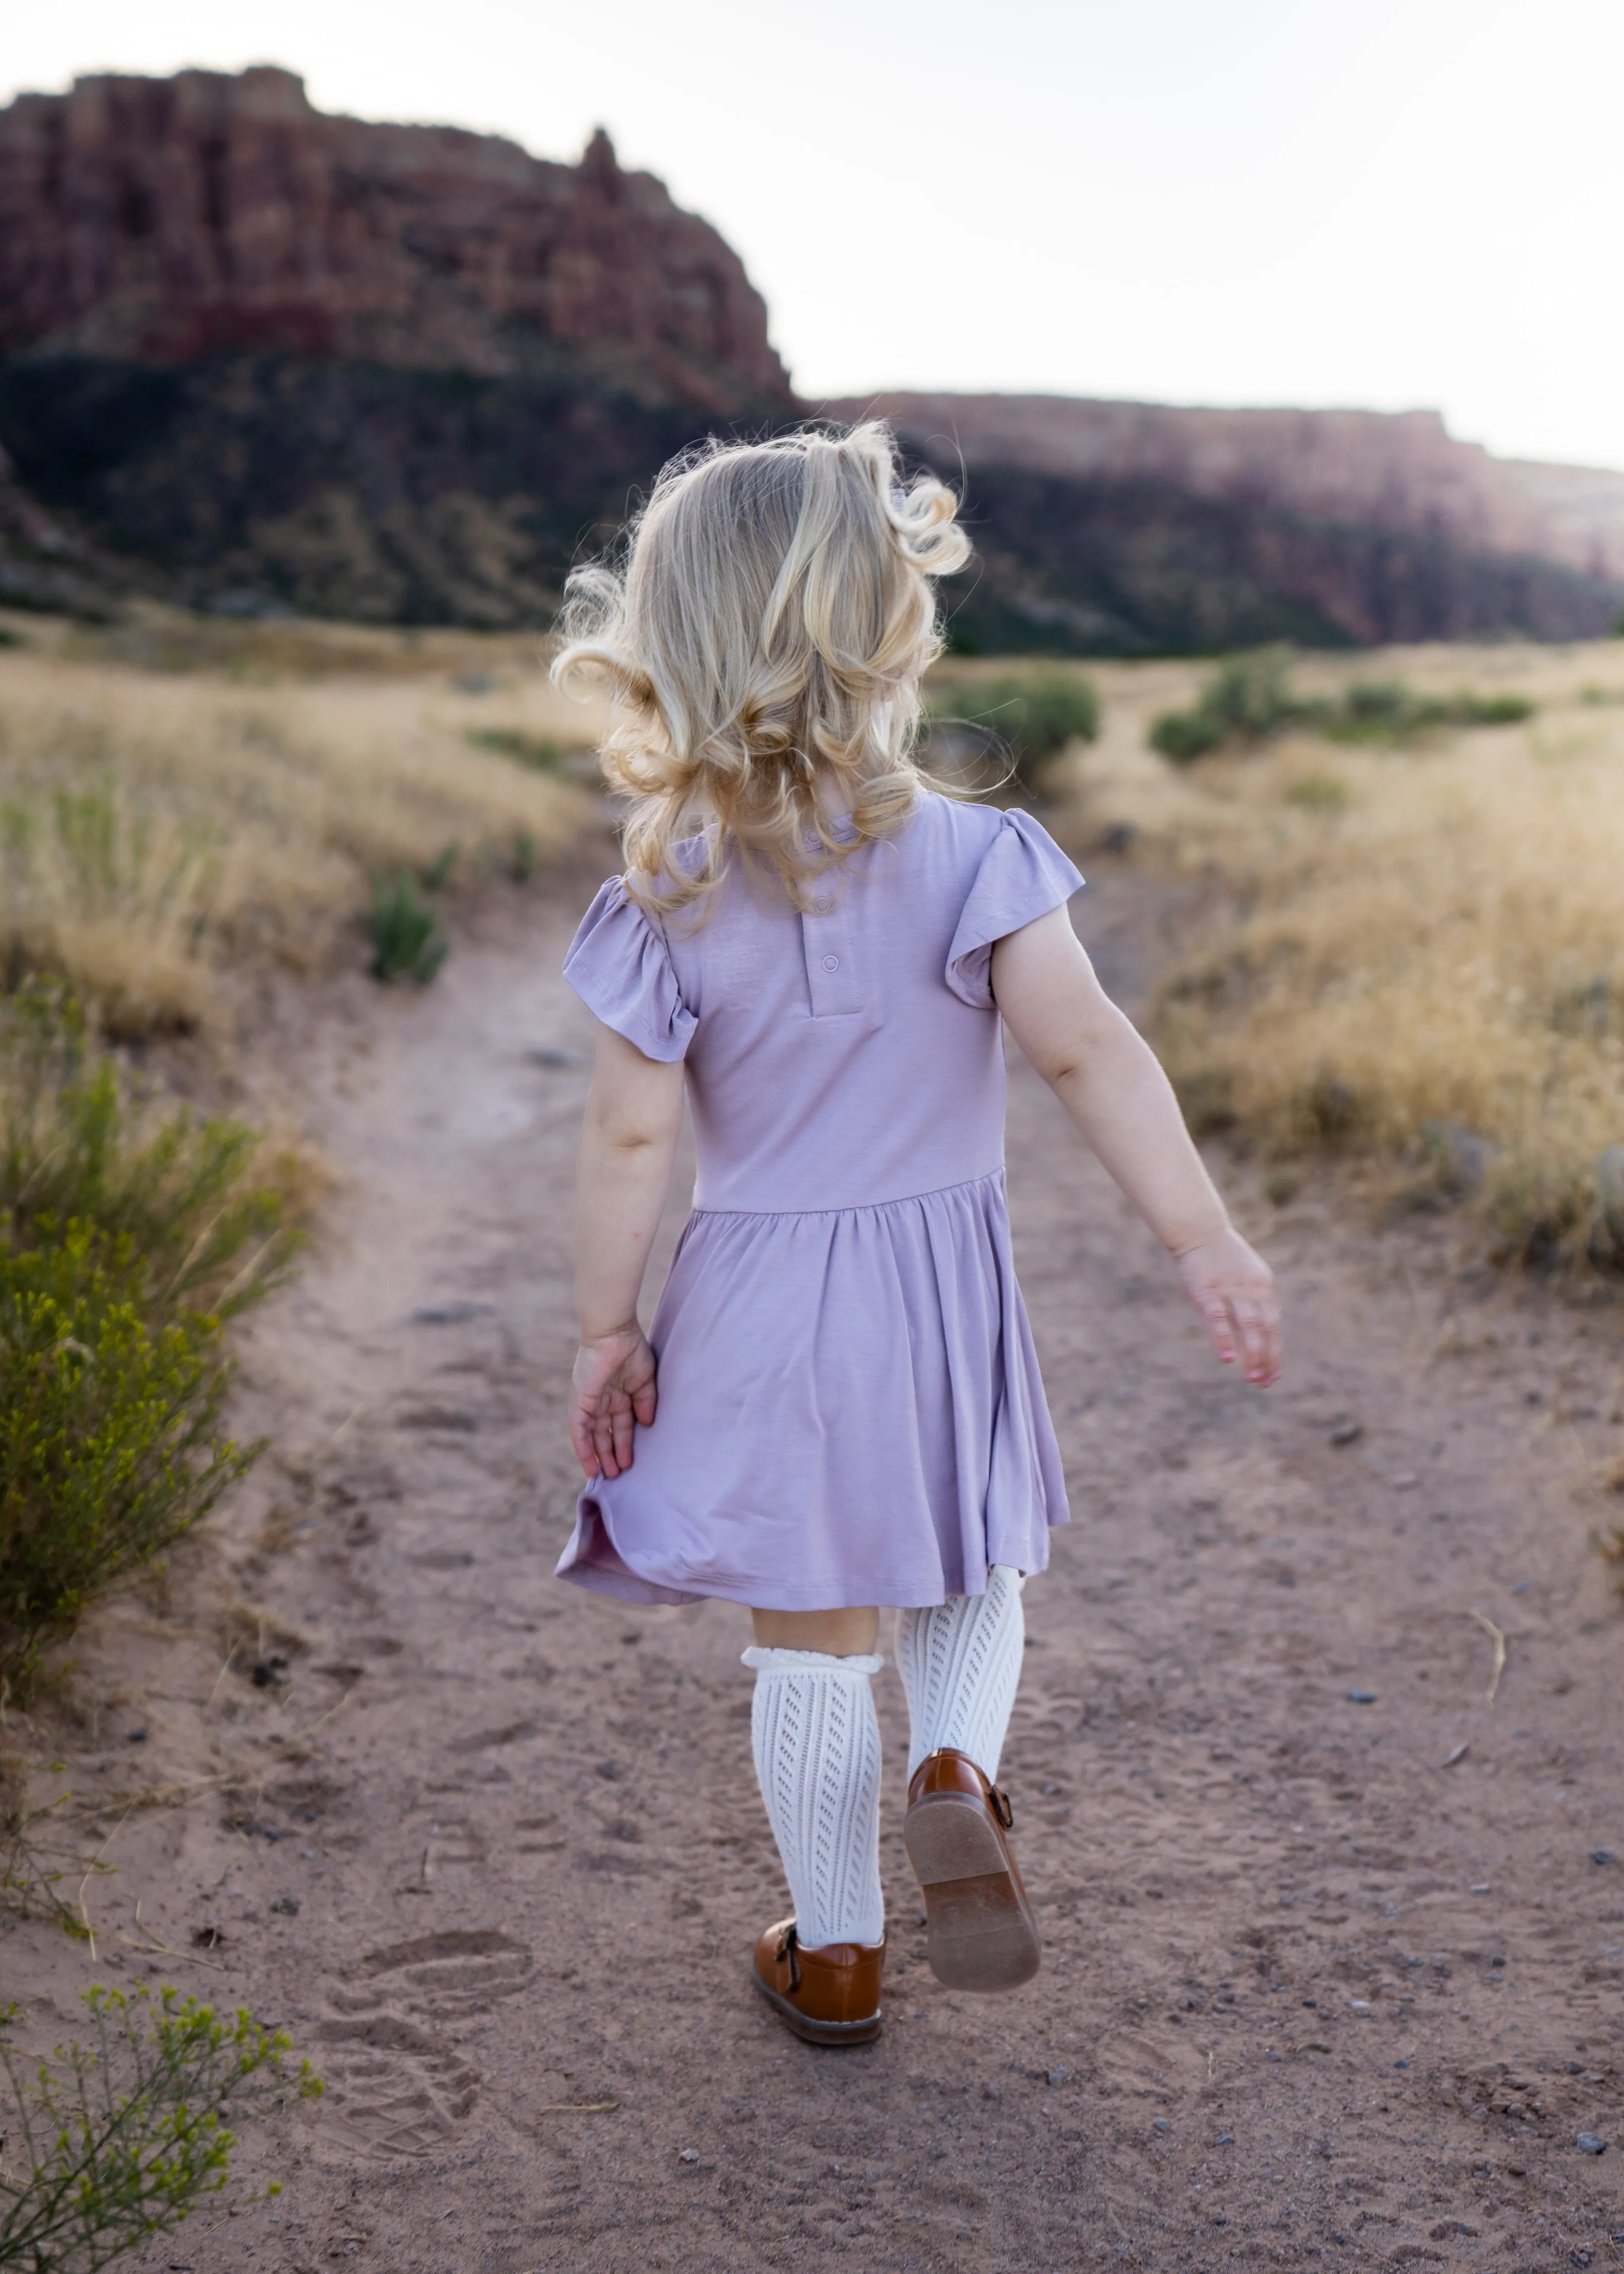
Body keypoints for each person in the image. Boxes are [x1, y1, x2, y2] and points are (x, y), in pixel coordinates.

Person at [553, 423, 1279, 2048]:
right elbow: (1088, 1048)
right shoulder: (977, 853)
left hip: (757, 1296)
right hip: (938, 1290)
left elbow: (626, 1132)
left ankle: (839, 1951)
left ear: (669, 644)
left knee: (807, 1644)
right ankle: (956, 1762)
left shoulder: (663, 886)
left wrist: (609, 1327)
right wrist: (1201, 1239)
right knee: (967, 1549)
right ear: (892, 620)